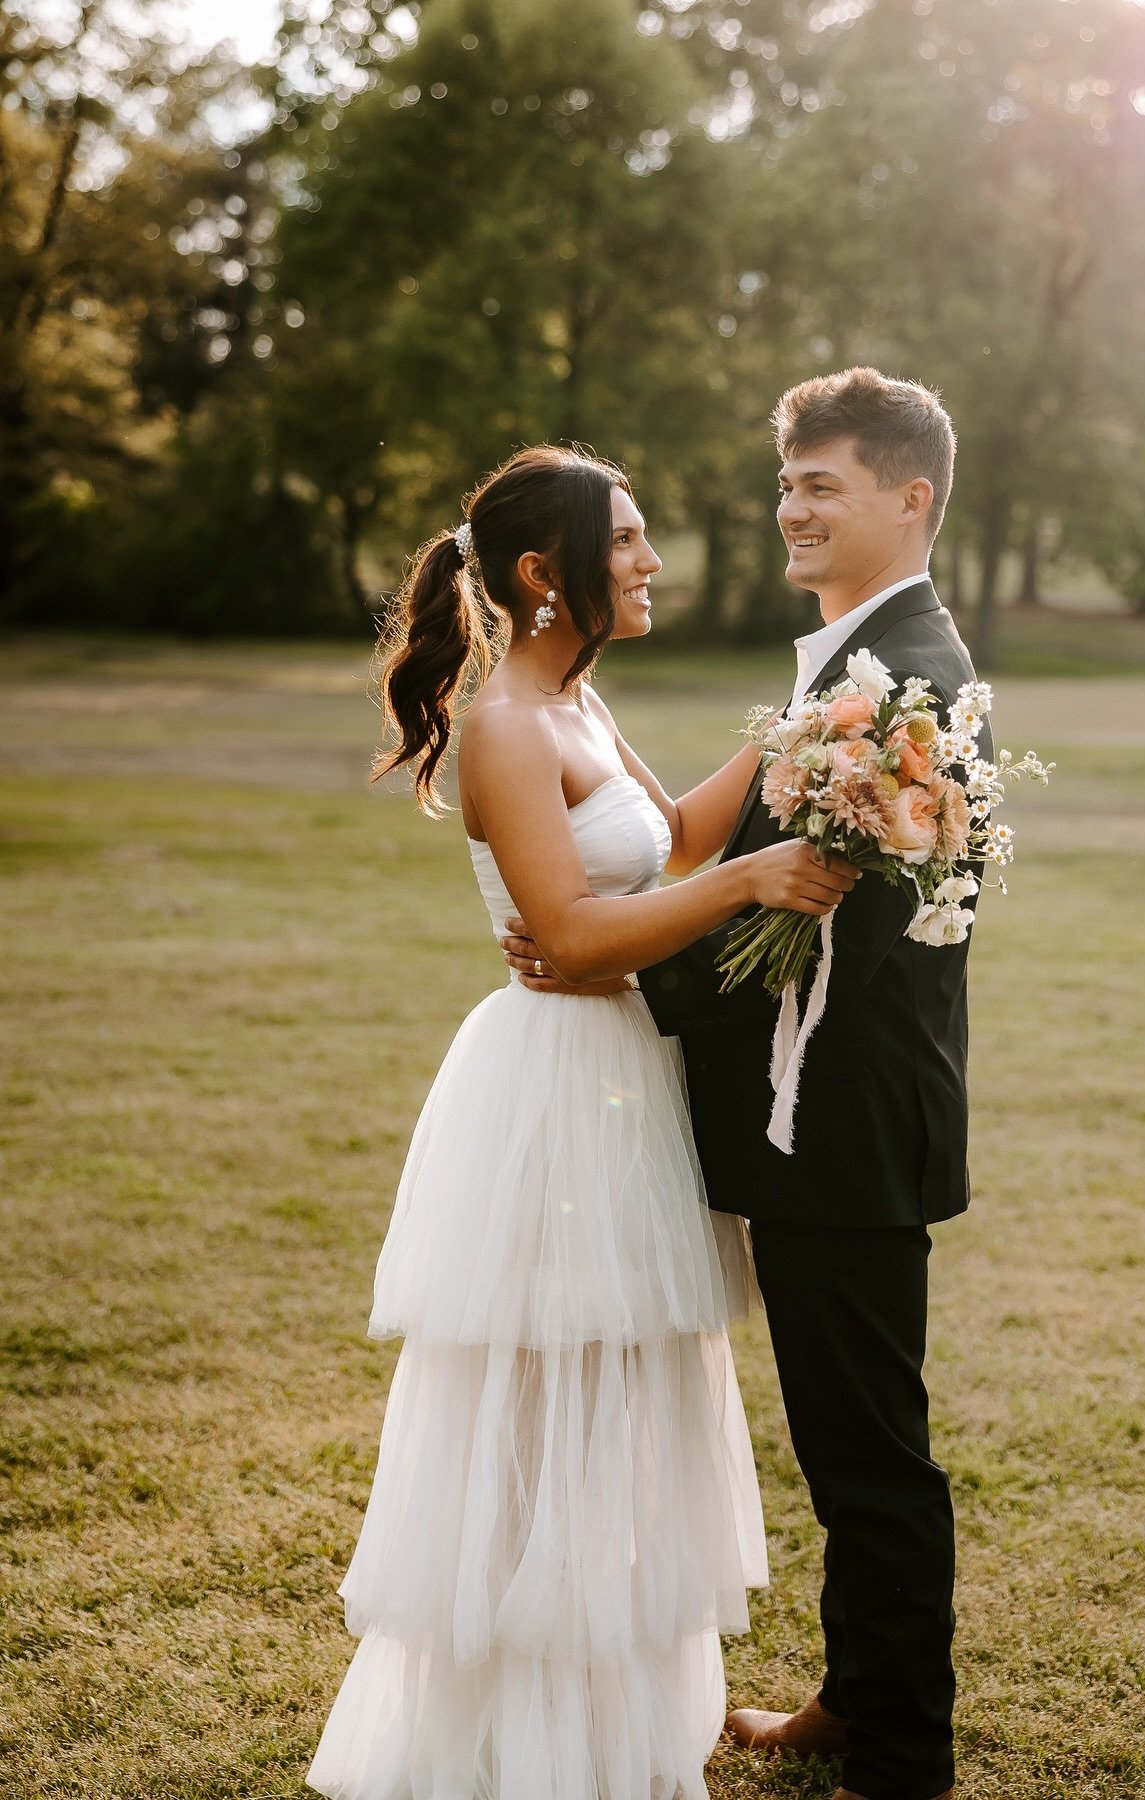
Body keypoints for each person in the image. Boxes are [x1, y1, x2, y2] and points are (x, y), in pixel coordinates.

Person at [306, 444, 857, 1800]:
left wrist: (802, 739)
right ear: (544, 573)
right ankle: (525, 1746)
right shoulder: (505, 725)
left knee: (625, 1399)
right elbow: (570, 932)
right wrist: (755, 887)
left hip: (619, 1072)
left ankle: (619, 1713)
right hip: (551, 1087)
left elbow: (666, 837)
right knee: (550, 1405)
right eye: (628, 539)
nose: (652, 559)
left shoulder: (582, 705)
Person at [506, 368, 992, 1800]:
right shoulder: (851, 664)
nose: (791, 507)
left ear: (910, 499)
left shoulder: (912, 683)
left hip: (841, 1123)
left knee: (870, 1452)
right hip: (813, 1120)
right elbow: (746, 876)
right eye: (786, 483)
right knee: (846, 1437)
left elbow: (833, 942)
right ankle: (858, 1695)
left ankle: (901, 1751)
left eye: (821, 484)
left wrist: (608, 969)